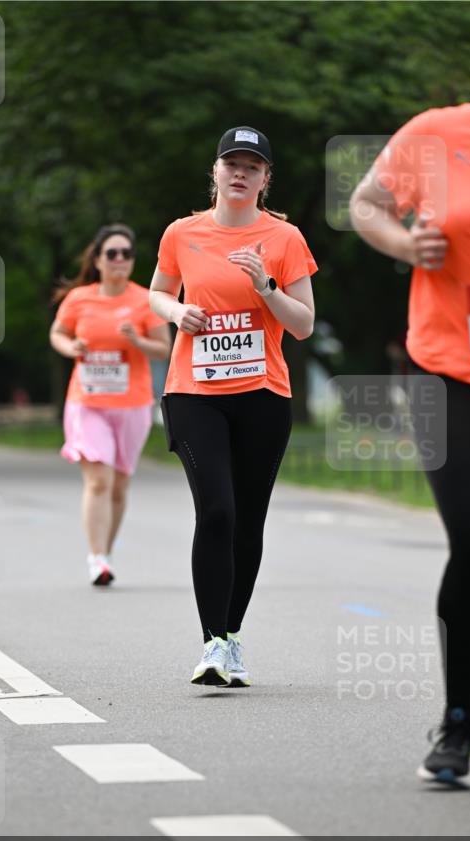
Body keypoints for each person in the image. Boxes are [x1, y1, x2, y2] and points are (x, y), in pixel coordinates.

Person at [350, 1, 470, 786]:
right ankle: (456, 719)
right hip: (454, 367)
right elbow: (366, 204)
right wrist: (403, 241)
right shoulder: (436, 135)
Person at [149, 127, 316, 686]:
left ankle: (233, 635)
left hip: (263, 395)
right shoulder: (182, 232)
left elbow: (303, 324)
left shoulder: (285, 238)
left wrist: (267, 287)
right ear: (215, 172)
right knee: (216, 511)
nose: (240, 173)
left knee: (248, 520)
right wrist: (177, 313)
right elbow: (157, 292)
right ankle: (213, 643)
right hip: (194, 392)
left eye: (252, 166)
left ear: (266, 179)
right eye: (231, 164)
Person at [49, 224, 171, 585]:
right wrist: (70, 347)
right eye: (112, 254)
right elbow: (58, 333)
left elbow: (163, 349)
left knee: (118, 485)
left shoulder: (146, 299)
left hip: (132, 404)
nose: (120, 259)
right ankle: (97, 558)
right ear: (98, 260)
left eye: (126, 254)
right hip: (87, 401)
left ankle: (106, 551)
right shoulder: (79, 299)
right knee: (99, 480)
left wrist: (137, 341)